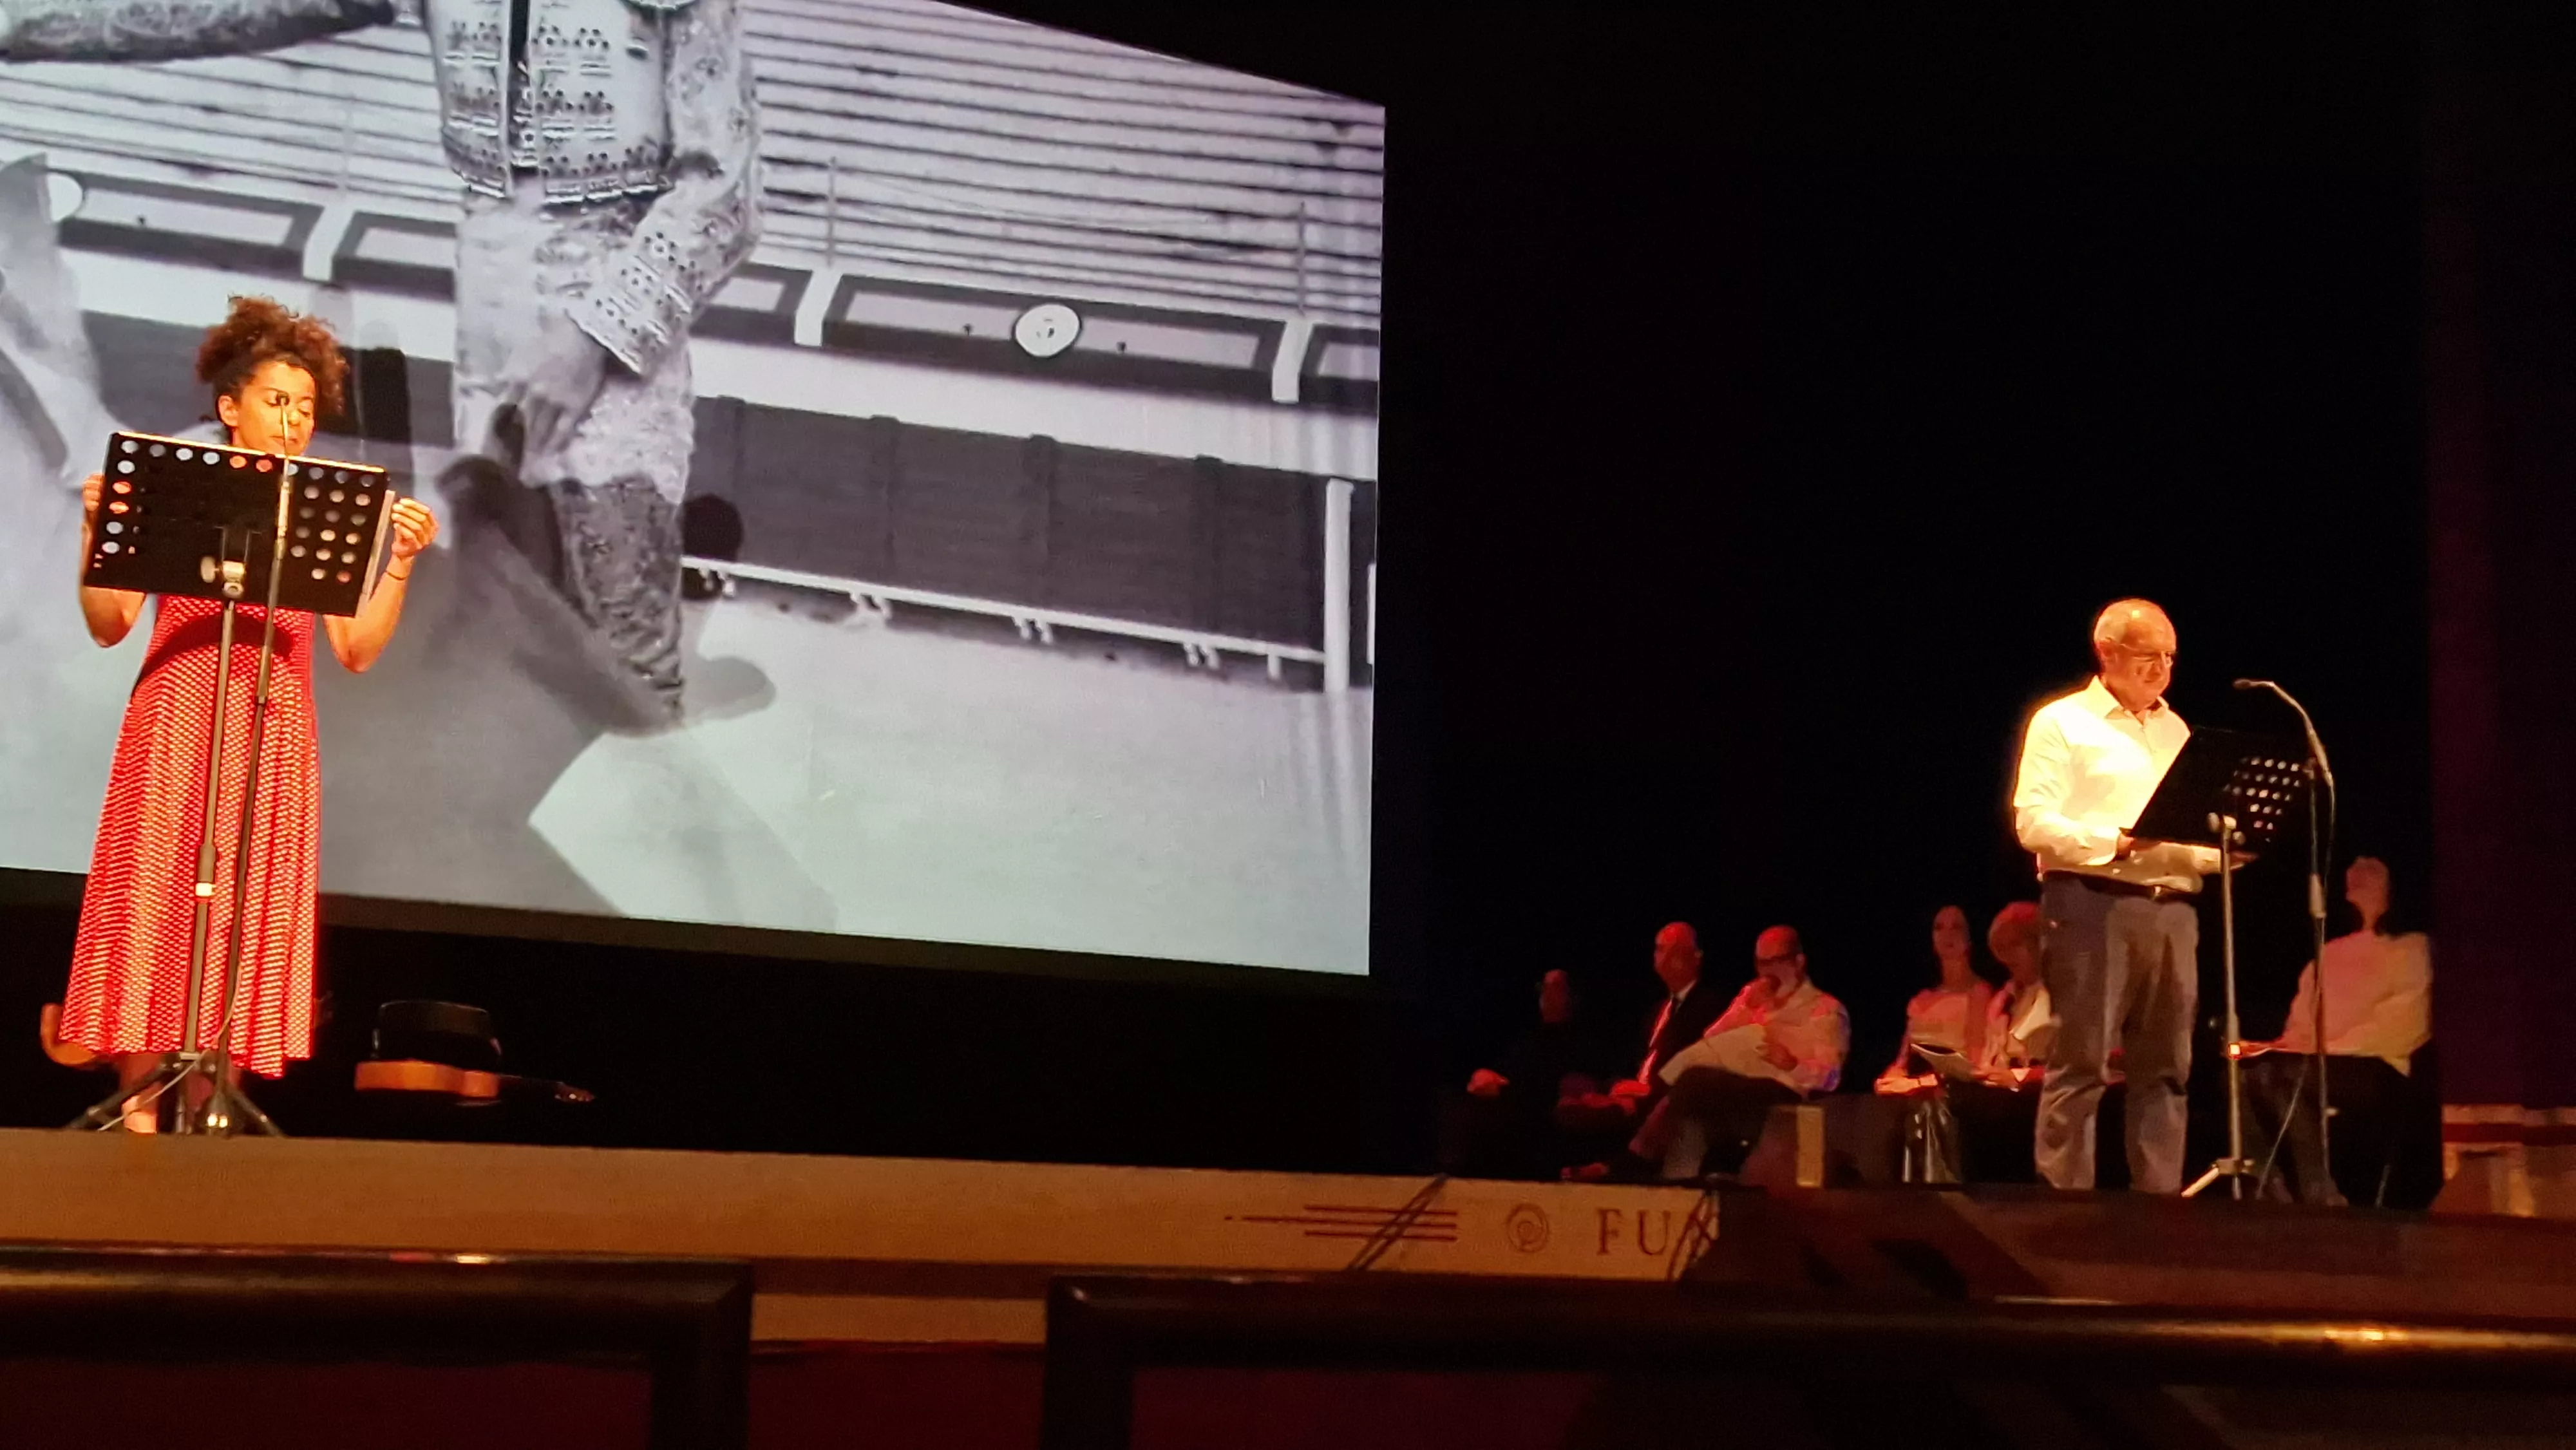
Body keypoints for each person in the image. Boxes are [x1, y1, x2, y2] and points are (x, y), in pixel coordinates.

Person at [1, 0, 761, 720]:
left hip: (613, 344)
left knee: (618, 651)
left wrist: (595, 336)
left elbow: (726, 195)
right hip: (488, 327)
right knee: (497, 657)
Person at [57, 296, 439, 1125]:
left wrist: (398, 562)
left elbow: (357, 649)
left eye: (305, 407)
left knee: (242, 914)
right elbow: (110, 621)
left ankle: (210, 1112)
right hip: (179, 717)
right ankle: (139, 1116)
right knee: (157, 899)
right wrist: (99, 528)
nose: (294, 421)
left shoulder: (321, 513)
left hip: (273, 727)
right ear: (231, 408)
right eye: (277, 402)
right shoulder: (175, 489)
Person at [2011, 598, 2220, 1193]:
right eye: (2147, 655)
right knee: (2082, 1065)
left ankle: (2157, 1213)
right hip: (2092, 902)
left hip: (2173, 910)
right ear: (2107, 653)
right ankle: (2066, 1210)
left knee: (2166, 1071)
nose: (2160, 669)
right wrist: (2118, 843)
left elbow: (2186, 837)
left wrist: (2225, 851)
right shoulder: (2063, 722)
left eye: (2170, 658)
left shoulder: (2176, 729)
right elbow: (2034, 824)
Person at [2246, 856, 2434, 1206]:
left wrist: (2322, 1049)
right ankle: (2270, 1183)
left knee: (2291, 1075)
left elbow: (2402, 1025)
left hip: (2378, 1068)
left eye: (2373, 864)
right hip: (2316, 1062)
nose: (2360, 867)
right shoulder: (2329, 954)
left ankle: (2318, 1191)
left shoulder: (2415, 948)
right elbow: (2300, 1024)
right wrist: (2272, 1048)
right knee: (2244, 1077)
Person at [1621, 925, 1851, 1180]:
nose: (1767, 972)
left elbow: (1831, 1077)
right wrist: (1747, 1009)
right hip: (1739, 1078)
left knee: (1692, 1082)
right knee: (1691, 1079)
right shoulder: (1752, 996)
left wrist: (1792, 1064)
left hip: (1783, 1086)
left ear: (1798, 962)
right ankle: (1648, 1159)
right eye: (1761, 963)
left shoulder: (1826, 1010)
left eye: (1775, 962)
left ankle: (1636, 1158)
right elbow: (1710, 1041)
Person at [1553, 922, 1725, 1140]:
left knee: (1583, 1113)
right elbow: (1634, 1059)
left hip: (1661, 1098)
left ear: (1696, 956)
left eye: (1675, 949)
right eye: (1661, 949)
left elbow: (1691, 1063)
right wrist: (1615, 1086)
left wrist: (1644, 1093)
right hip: (1636, 1090)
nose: (1666, 958)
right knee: (1573, 1085)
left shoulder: (1710, 1006)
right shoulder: (1658, 1011)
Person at [1452, 968, 1609, 1179]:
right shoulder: (1532, 1041)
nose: (1546, 995)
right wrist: (1486, 1077)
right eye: (1543, 988)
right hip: (1520, 1113)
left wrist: (1505, 1091)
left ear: (1572, 996)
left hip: (1545, 1127)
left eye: (1554, 988)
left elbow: (1551, 1090)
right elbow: (1510, 1070)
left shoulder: (1585, 1045)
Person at [1873, 905, 1993, 1094]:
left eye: (1957, 927)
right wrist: (1890, 1080)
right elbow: (1902, 1062)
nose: (1948, 934)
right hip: (1915, 1096)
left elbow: (1974, 1067)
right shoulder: (1921, 1000)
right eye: (1939, 927)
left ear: (1970, 936)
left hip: (1957, 1098)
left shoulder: (1979, 993)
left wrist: (1917, 1084)